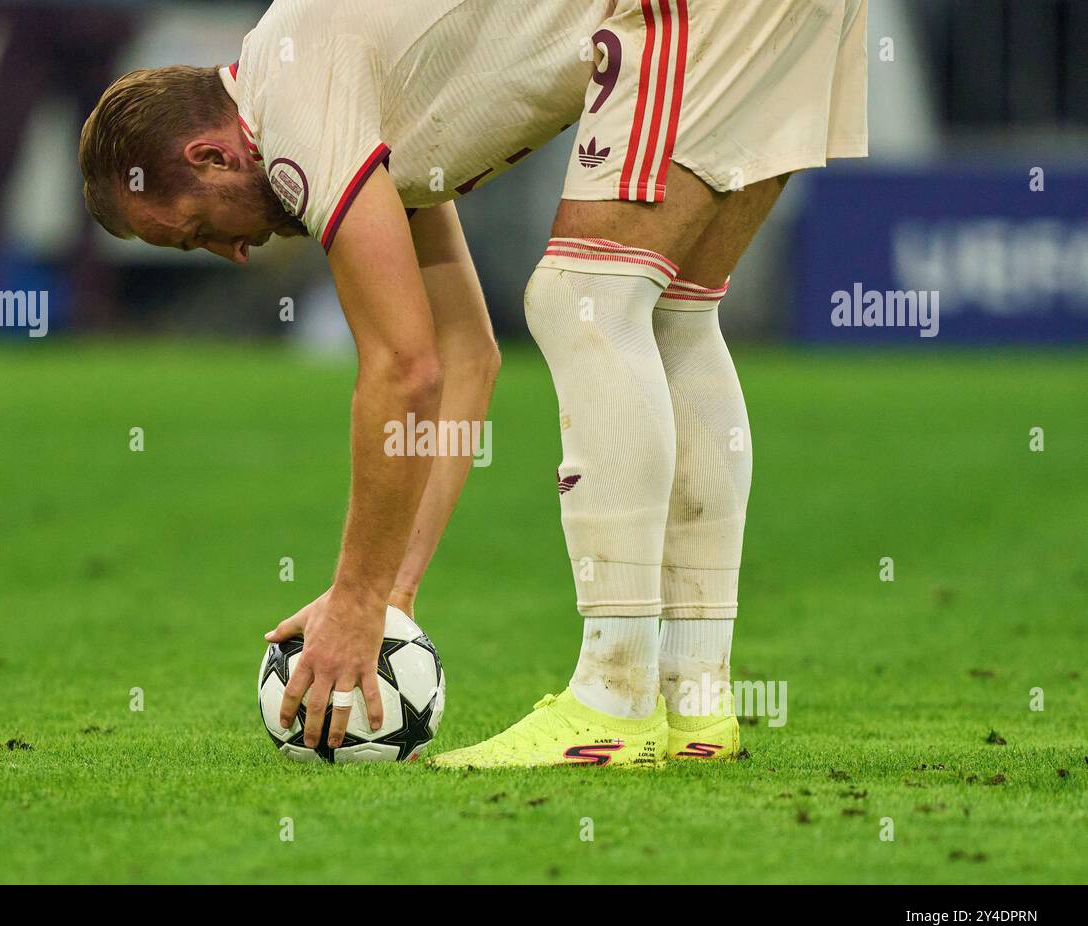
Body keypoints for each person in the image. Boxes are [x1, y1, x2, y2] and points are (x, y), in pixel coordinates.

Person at [78, 0, 867, 767]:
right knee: (675, 315)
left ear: (211, 156)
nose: (232, 253)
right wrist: (392, 591)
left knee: (583, 299)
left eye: (195, 232)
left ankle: (614, 703)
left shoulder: (294, 114)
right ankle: (696, 701)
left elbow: (404, 368)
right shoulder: (334, 82)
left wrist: (355, 601)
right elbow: (463, 354)